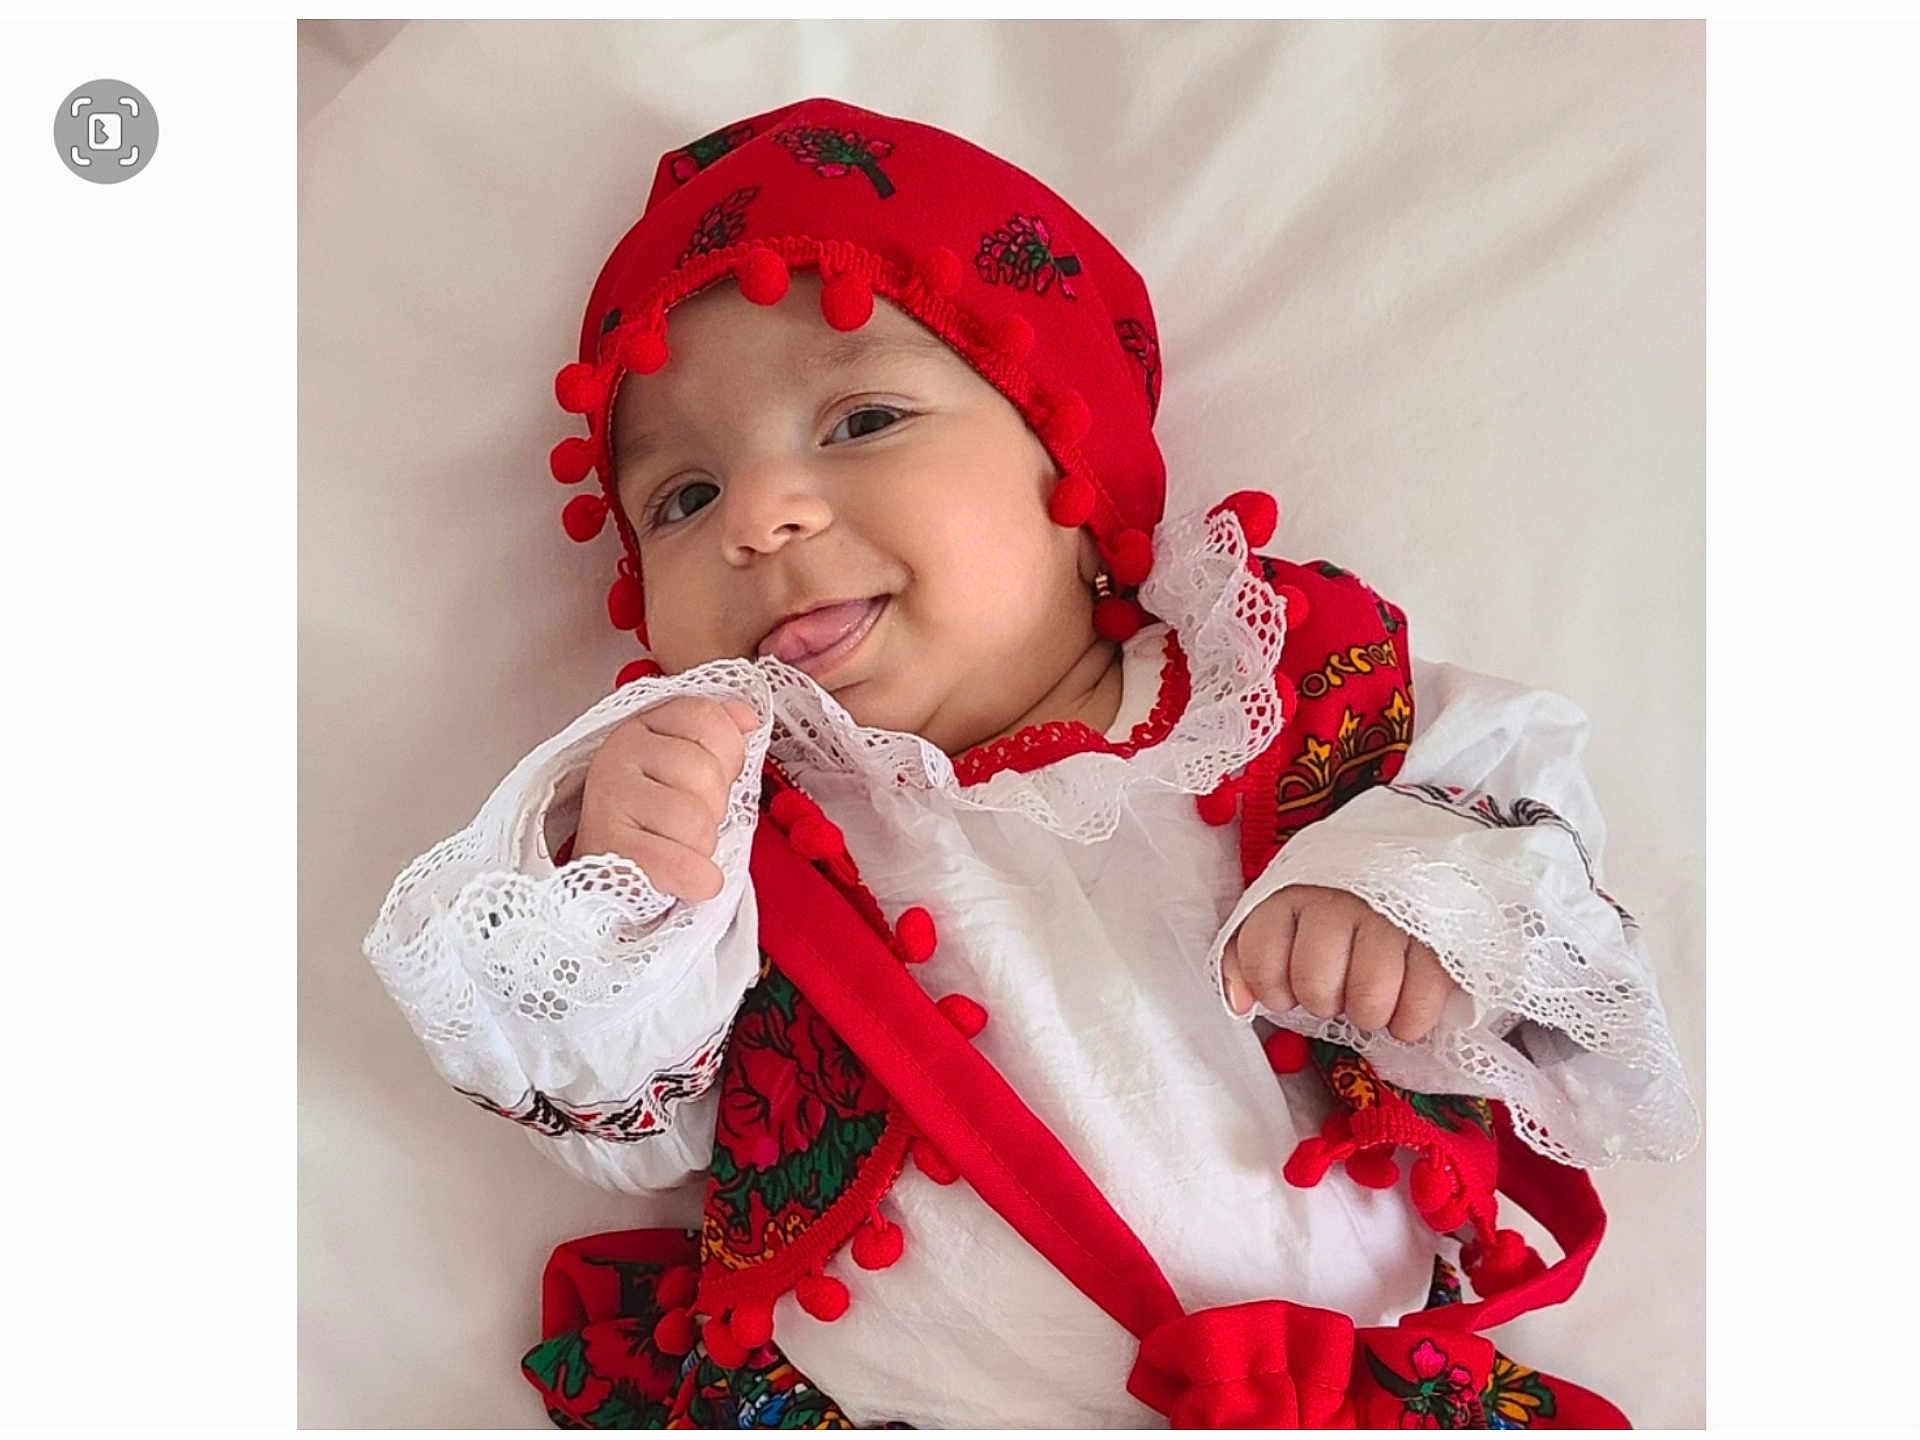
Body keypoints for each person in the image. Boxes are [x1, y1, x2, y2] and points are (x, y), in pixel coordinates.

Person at [363, 96, 1696, 1429]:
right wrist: (623, 897)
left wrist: (1401, 901)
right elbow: (633, 1131)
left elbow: (1538, 849)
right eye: (685, 497)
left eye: (863, 421)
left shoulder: (1277, 696)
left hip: (1342, 1389)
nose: (761, 518)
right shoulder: (727, 822)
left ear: (1072, 463)